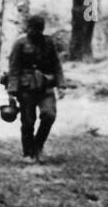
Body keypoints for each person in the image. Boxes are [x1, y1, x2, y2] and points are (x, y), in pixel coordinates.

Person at [5, 14, 64, 162]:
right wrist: (12, 92)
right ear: (28, 28)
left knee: (49, 115)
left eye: (40, 29)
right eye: (34, 29)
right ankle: (28, 152)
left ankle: (38, 146)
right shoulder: (20, 44)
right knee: (28, 121)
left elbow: (56, 64)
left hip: (45, 85)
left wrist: (61, 85)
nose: (37, 32)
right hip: (26, 87)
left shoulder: (48, 42)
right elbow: (14, 69)